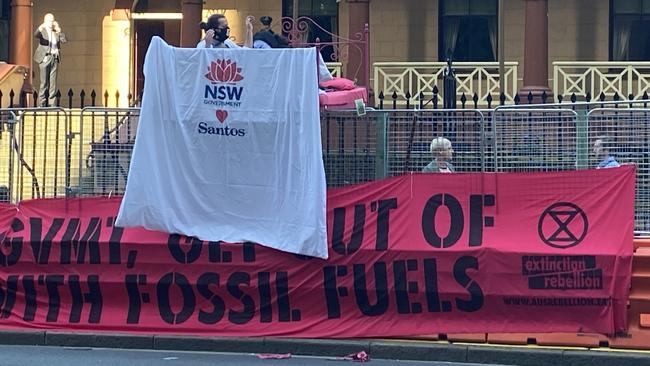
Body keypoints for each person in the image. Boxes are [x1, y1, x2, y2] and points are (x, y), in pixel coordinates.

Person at [34, 13, 67, 107]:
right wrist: (41, 27)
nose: (51, 22)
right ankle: (42, 104)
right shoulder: (43, 31)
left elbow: (64, 40)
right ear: (45, 21)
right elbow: (36, 34)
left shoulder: (55, 32)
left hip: (54, 57)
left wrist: (59, 30)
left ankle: (52, 104)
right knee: (44, 82)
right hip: (45, 58)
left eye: (52, 20)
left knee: (53, 83)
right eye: (49, 20)